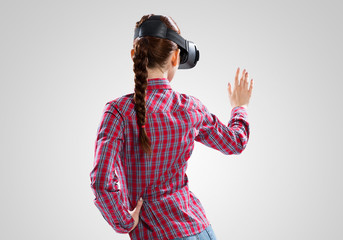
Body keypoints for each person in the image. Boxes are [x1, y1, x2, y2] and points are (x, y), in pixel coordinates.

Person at [90, 14, 253, 240]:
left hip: (158, 233)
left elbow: (102, 182)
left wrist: (124, 222)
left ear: (133, 56)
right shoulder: (191, 107)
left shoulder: (118, 112)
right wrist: (240, 107)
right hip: (201, 229)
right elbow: (235, 142)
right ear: (176, 58)